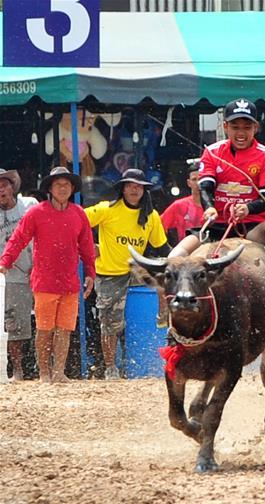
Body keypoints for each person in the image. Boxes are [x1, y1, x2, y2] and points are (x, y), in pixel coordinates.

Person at [168, 99, 265, 273]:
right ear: (225, 127)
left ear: (255, 128)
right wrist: (210, 208)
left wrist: (248, 209)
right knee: (176, 255)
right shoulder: (212, 152)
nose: (241, 133)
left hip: (251, 226)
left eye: (247, 127)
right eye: (235, 127)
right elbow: (205, 187)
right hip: (216, 225)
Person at [0, 167, 95, 384]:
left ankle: (59, 372)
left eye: (67, 185)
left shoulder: (79, 213)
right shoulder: (37, 213)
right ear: (50, 189)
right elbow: (18, 239)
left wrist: (91, 272)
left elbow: (87, 247)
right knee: (44, 329)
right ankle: (44, 372)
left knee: (64, 329)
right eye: (58, 184)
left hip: (70, 282)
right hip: (44, 282)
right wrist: (5, 262)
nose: (63, 188)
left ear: (72, 189)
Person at [85, 169, 169, 380]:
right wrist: (88, 247)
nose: (135, 189)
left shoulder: (151, 215)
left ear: (144, 190)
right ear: (123, 188)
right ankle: (110, 368)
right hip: (109, 273)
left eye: (139, 186)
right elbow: (77, 221)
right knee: (110, 322)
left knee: (165, 279)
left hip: (135, 269)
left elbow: (162, 247)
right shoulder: (107, 209)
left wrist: (179, 262)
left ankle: (163, 317)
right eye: (130, 185)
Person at [0, 168, 38, 381]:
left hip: (40, 271)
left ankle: (46, 367)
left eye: (3, 185)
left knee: (46, 322)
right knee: (15, 325)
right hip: (12, 277)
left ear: (12, 186)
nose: (1, 190)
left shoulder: (29, 205)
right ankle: (17, 370)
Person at [160, 163, 204, 244]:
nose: (198, 183)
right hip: (186, 252)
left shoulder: (217, 206)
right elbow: (158, 226)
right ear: (188, 183)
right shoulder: (179, 206)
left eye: (201, 179)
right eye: (194, 179)